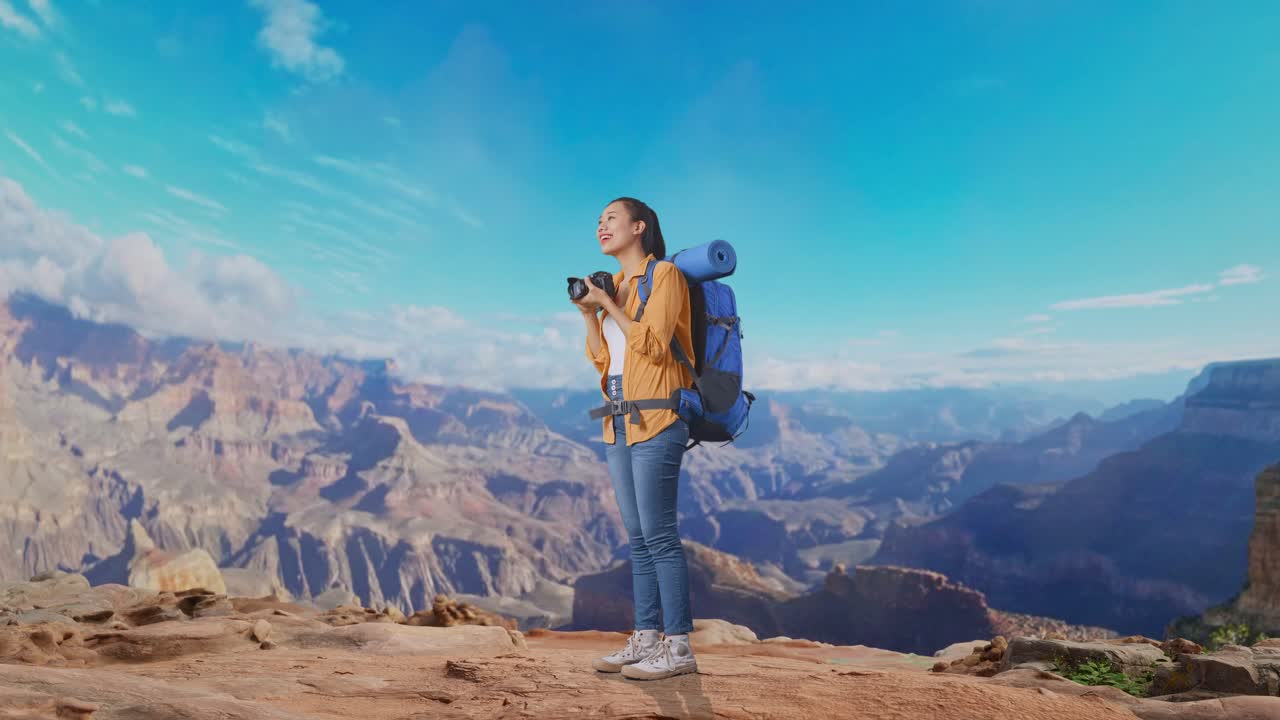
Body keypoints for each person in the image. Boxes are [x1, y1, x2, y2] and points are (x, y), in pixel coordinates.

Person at [571, 197, 698, 680]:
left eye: (611, 218)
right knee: (638, 537)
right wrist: (590, 314)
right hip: (617, 419)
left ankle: (679, 646)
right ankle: (646, 638)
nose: (601, 225)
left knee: (661, 535)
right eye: (598, 219)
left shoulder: (663, 276)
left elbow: (652, 345)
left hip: (659, 416)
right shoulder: (618, 285)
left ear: (639, 227)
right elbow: (604, 362)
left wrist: (607, 305)